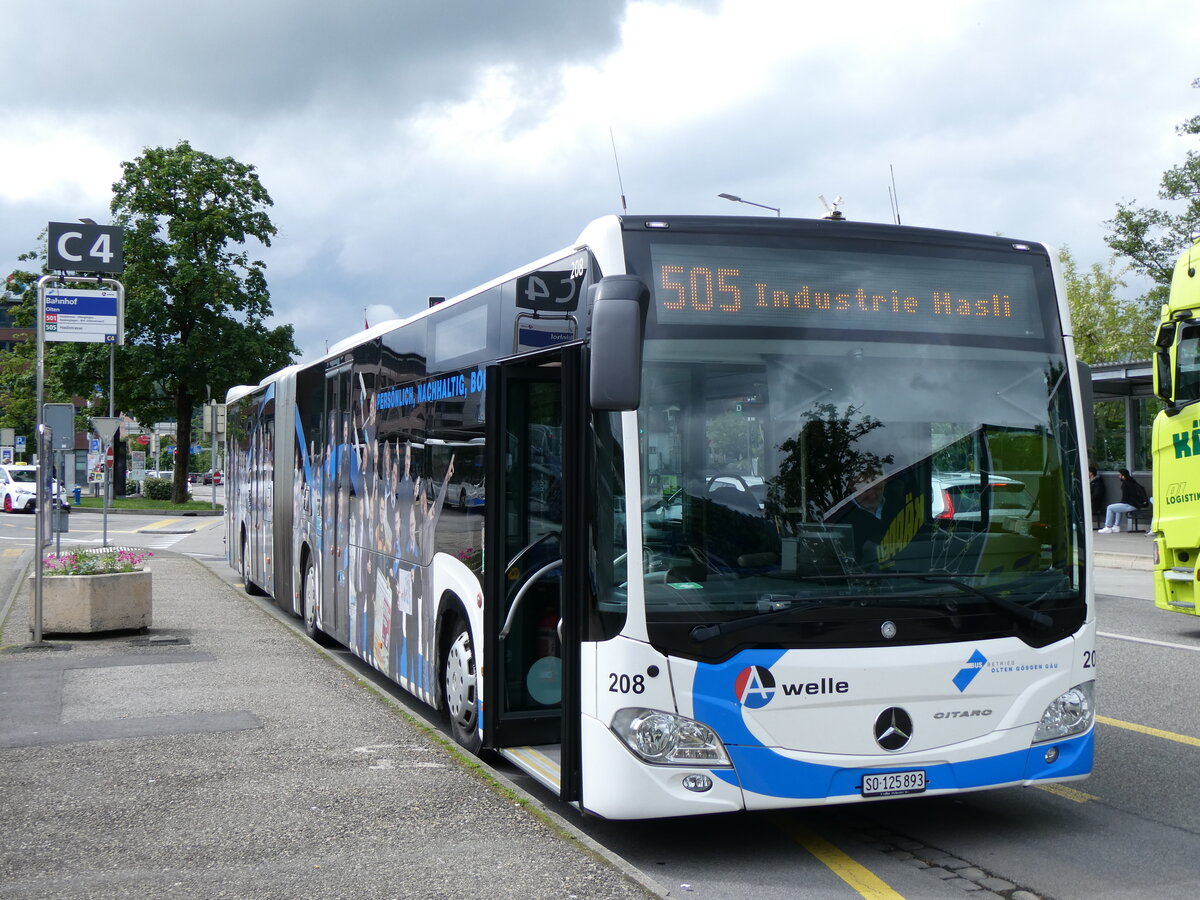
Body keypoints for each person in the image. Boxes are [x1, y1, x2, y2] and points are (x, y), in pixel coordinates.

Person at [1098, 468, 1142, 533]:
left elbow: (1125, 498)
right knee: (1118, 507)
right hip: (1136, 504)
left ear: (1123, 476)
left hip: (1131, 505)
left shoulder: (1125, 484)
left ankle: (1108, 527)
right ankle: (1116, 526)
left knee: (1109, 507)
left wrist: (1121, 503)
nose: (1119, 476)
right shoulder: (1132, 481)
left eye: (1120, 475)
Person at [1089, 464, 1104, 530]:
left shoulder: (1097, 483)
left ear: (1091, 473)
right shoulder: (1089, 482)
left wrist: (1088, 500)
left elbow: (1096, 494)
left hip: (1094, 504)